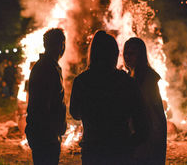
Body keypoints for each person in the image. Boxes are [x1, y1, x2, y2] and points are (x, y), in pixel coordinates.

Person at [70, 31, 148, 165]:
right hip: (120, 150)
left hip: (93, 150)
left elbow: (75, 114)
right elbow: (141, 122)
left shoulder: (82, 81)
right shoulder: (126, 81)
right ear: (114, 54)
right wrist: (130, 144)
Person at [25, 28, 67, 165]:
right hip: (45, 135)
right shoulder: (47, 68)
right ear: (61, 45)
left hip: (42, 132)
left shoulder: (46, 66)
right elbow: (43, 105)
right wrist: (54, 131)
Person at [123, 37, 167, 165]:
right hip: (135, 137)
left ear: (140, 55)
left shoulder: (149, 79)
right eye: (126, 53)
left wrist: (151, 141)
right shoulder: (129, 76)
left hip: (147, 138)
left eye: (132, 53)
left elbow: (153, 113)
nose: (127, 56)